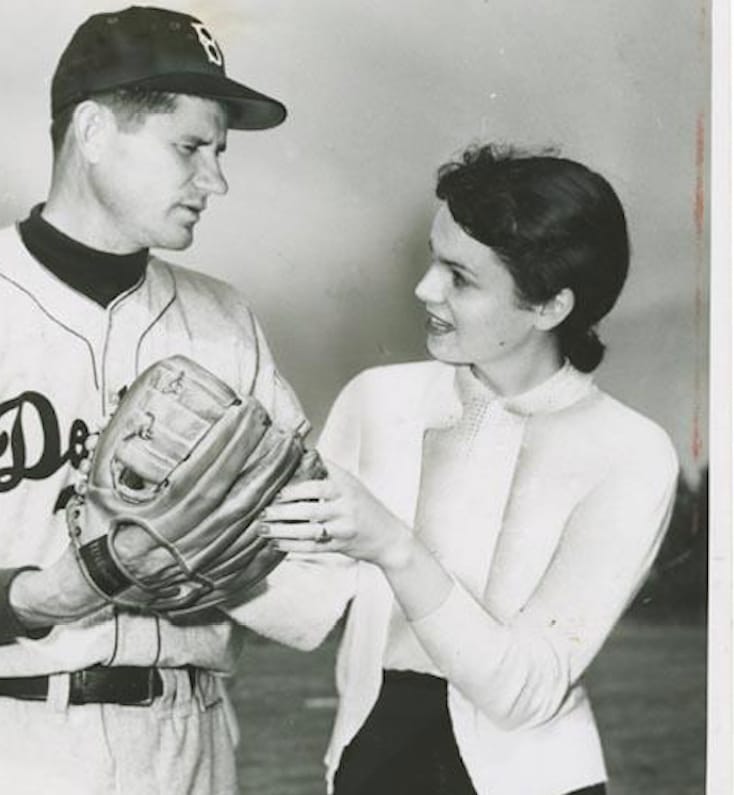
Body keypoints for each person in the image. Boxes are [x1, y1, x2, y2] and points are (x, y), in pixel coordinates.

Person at [0, 7, 353, 795]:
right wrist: (48, 592)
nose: (216, 180)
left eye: (220, 153)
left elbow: (303, 565)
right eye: (191, 147)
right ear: (92, 131)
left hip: (184, 740)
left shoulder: (225, 321)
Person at [261, 144, 679, 795]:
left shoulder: (631, 450)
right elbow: (303, 610)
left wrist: (395, 546)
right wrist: (181, 536)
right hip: (372, 766)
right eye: (434, 258)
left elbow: (523, 693)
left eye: (460, 276)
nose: (424, 288)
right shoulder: (378, 400)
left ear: (550, 307)